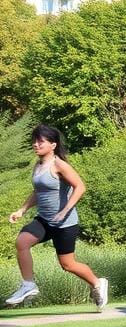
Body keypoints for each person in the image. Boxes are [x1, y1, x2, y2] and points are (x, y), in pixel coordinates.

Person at [5, 125, 109, 311]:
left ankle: (97, 283)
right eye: (34, 141)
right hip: (44, 220)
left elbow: (80, 187)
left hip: (65, 223)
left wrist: (66, 210)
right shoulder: (38, 165)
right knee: (22, 242)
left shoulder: (59, 165)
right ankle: (28, 285)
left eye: (40, 141)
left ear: (53, 145)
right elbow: (38, 192)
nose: (35, 145)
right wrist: (22, 210)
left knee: (68, 265)